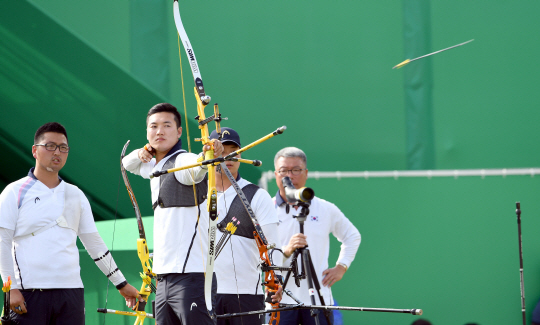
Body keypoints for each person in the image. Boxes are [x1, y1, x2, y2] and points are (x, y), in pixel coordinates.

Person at [0, 122, 140, 325]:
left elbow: (94, 243)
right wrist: (10, 288)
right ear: (35, 151)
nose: (57, 152)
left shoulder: (76, 194)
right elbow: (2, 241)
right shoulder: (14, 192)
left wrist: (121, 283)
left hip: (71, 292)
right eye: (50, 146)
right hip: (27, 292)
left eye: (63, 147)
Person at [122, 103, 224, 325]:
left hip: (192, 275)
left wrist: (208, 153)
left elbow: (196, 166)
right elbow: (126, 163)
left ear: (179, 132)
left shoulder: (181, 161)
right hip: (163, 277)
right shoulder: (153, 165)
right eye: (154, 126)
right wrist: (143, 152)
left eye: (167, 126)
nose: (159, 131)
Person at [273, 147, 361, 325]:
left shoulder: (325, 208)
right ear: (276, 174)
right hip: (279, 300)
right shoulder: (265, 209)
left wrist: (342, 266)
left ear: (306, 173)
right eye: (284, 171)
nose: (289, 176)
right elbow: (255, 254)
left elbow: (352, 235)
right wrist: (287, 250)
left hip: (318, 299)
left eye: (296, 170)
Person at [209, 127, 282, 325]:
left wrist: (277, 280)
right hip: (203, 293)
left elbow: (272, 245)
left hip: (246, 294)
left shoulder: (257, 195)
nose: (229, 157)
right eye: (221, 151)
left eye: (234, 151)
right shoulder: (196, 193)